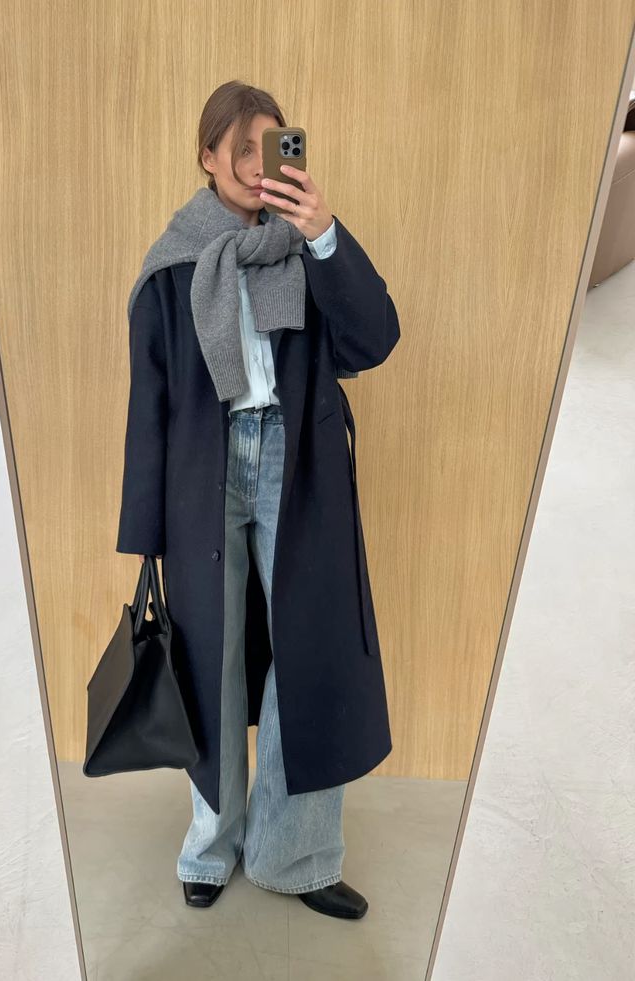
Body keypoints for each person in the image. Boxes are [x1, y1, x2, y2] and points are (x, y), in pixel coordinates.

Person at [117, 80, 401, 919]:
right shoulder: (173, 263)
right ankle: (210, 846)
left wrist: (325, 235)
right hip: (202, 474)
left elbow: (374, 339)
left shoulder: (303, 247)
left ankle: (295, 854)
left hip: (296, 460)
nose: (253, 163)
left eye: (268, 145)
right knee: (210, 657)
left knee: (307, 652)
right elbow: (151, 400)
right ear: (206, 157)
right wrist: (145, 529)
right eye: (238, 147)